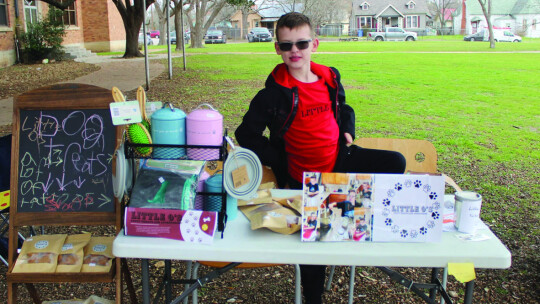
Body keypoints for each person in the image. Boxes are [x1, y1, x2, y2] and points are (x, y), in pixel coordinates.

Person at [235, 12, 406, 304]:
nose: (294, 51)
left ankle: (357, 214)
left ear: (315, 43)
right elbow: (245, 134)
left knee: (396, 163)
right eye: (286, 45)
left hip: (339, 160)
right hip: (302, 178)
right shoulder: (272, 95)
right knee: (313, 252)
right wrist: (280, 157)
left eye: (301, 44)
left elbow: (344, 108)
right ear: (277, 48)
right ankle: (314, 295)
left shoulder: (329, 78)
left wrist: (348, 132)